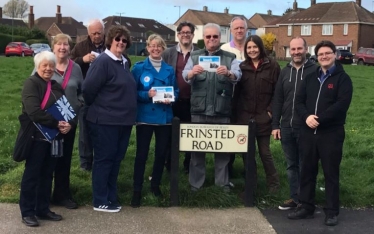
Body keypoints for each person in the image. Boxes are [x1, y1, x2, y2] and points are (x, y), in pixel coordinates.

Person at [288, 40, 353, 226]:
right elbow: (298, 101)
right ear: (316, 56)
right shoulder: (310, 77)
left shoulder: (343, 79)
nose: (324, 57)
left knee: (330, 173)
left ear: (335, 55)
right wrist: (307, 117)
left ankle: (332, 211)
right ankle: (306, 207)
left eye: (328, 53)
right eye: (321, 54)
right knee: (307, 170)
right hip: (308, 132)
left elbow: (341, 105)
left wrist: (319, 119)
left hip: (330, 134)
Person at [82, 25, 137, 212]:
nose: (121, 42)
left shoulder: (124, 62)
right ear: (110, 41)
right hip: (105, 121)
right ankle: (100, 199)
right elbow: (88, 89)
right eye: (117, 39)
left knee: (116, 160)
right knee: (104, 160)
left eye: (124, 40)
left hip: (123, 121)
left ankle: (111, 195)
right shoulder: (103, 62)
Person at [182, 23, 241, 191]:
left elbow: (238, 75)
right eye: (208, 37)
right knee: (197, 150)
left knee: (222, 152)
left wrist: (229, 73)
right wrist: (192, 72)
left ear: (220, 38)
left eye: (215, 36)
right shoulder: (194, 56)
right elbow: (185, 75)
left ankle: (222, 184)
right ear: (204, 39)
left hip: (221, 110)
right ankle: (196, 185)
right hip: (199, 110)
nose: (211, 39)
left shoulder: (230, 58)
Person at [19, 51, 71, 226]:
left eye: (51, 65)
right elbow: (33, 112)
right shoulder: (31, 84)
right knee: (32, 175)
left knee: (47, 175)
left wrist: (66, 124)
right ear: (37, 66)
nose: (48, 68)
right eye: (44, 65)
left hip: (53, 139)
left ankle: (42, 208)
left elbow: (64, 109)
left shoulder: (56, 86)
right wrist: (56, 123)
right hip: (36, 138)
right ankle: (27, 211)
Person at [131, 34, 178, 207]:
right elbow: (132, 93)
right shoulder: (138, 68)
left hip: (164, 117)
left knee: (160, 155)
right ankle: (137, 189)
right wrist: (146, 94)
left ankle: (155, 185)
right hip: (145, 117)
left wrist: (171, 98)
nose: (155, 49)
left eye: (159, 46)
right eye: (152, 46)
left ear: (163, 48)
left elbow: (176, 91)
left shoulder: (169, 70)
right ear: (147, 47)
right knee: (141, 155)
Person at [271, 37, 317, 210]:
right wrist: (275, 124)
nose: (296, 52)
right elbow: (278, 100)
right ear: (289, 50)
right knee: (291, 165)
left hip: (306, 127)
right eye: (293, 49)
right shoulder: (285, 71)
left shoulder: (314, 71)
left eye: (299, 48)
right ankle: (295, 198)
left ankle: (307, 200)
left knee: (306, 164)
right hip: (286, 127)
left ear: (306, 49)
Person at [232, 35, 280, 193]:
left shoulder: (272, 66)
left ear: (261, 47)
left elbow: (278, 92)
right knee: (247, 153)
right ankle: (250, 183)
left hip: (263, 116)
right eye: (249, 48)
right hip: (245, 117)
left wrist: (270, 112)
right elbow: (237, 93)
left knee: (265, 152)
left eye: (255, 47)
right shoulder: (242, 67)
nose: (252, 50)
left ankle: (273, 184)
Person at [49, 34, 84, 209]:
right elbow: (34, 86)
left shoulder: (75, 68)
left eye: (66, 44)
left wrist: (78, 104)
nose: (63, 47)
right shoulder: (46, 63)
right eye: (59, 44)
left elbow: (81, 91)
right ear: (53, 47)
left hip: (70, 122)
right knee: (47, 158)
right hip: (48, 122)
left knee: (65, 158)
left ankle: (62, 194)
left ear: (70, 48)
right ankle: (44, 194)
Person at [162, 21, 198, 173]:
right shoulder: (168, 53)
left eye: (188, 33)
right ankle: (170, 166)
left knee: (191, 134)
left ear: (192, 35)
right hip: (173, 101)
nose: (185, 35)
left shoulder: (199, 54)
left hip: (194, 101)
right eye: (182, 32)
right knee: (171, 135)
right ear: (178, 35)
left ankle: (188, 166)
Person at [70, 19, 105, 171]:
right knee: (84, 131)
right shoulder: (80, 46)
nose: (97, 36)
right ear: (88, 33)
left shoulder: (109, 46)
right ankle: (85, 163)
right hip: (85, 93)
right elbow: (69, 62)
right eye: (93, 33)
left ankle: (101, 159)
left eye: (99, 33)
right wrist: (82, 60)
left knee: (102, 130)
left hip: (104, 95)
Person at [221, 16, 247, 177]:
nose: (239, 30)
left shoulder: (253, 48)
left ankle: (249, 174)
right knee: (229, 135)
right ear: (231, 30)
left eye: (242, 28)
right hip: (228, 98)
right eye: (236, 28)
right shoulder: (224, 49)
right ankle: (227, 172)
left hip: (249, 98)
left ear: (246, 30)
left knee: (246, 136)